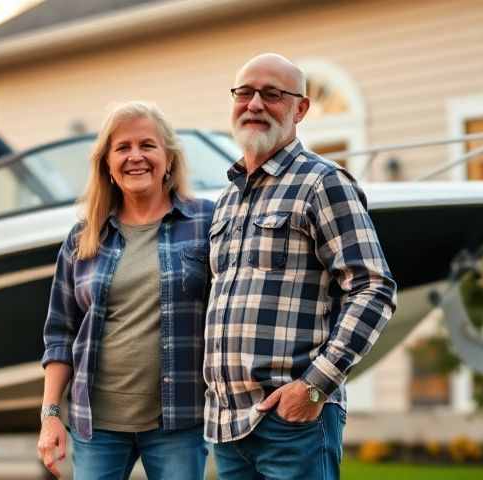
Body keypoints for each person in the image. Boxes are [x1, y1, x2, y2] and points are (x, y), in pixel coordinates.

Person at [205, 53, 397, 480]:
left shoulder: (323, 183)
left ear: (301, 108)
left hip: (293, 425)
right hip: (229, 426)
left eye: (272, 93)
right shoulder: (227, 200)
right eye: (245, 92)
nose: (254, 103)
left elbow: (373, 289)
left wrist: (314, 387)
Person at [37, 101, 213, 479]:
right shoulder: (82, 239)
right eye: (123, 148)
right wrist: (50, 414)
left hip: (179, 422)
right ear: (107, 164)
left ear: (168, 158)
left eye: (147, 145)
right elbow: (60, 334)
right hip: (96, 426)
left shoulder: (207, 223)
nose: (136, 156)